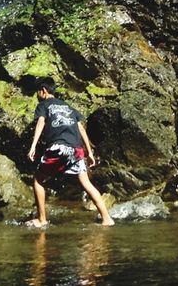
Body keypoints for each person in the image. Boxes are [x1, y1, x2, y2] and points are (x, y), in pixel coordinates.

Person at [26, 78, 114, 228]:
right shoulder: (68, 107)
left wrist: (33, 145)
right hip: (76, 149)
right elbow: (81, 129)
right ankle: (107, 219)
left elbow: (41, 122)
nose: (37, 95)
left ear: (43, 91)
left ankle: (42, 220)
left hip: (58, 147)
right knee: (86, 183)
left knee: (38, 179)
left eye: (38, 92)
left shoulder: (43, 105)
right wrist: (89, 152)